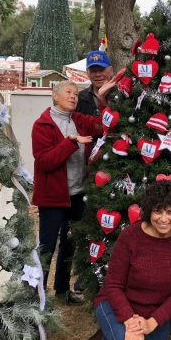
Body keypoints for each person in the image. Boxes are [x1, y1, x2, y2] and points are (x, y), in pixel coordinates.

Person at [31, 80, 113, 304]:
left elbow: (103, 125)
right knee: (47, 246)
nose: (73, 96)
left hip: (77, 195)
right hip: (53, 198)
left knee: (70, 243)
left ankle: (61, 289)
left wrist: (102, 98)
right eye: (68, 92)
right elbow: (46, 161)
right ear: (54, 95)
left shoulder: (78, 119)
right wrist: (71, 142)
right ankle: (37, 296)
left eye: (76, 93)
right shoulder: (43, 125)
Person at [93, 180, 171, 340]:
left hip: (155, 314)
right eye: (157, 211)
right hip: (115, 304)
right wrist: (131, 323)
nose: (164, 219)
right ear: (149, 211)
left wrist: (151, 323)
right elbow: (113, 285)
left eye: (170, 212)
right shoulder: (130, 236)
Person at [77, 50, 115, 116]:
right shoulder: (79, 98)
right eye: (93, 71)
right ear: (87, 73)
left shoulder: (122, 95)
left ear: (111, 70)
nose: (97, 74)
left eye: (101, 70)